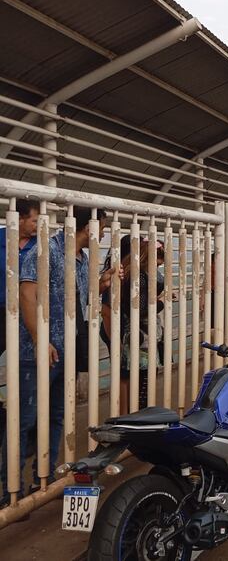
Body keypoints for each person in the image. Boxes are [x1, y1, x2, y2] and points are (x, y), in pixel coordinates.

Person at [2, 207, 118, 505]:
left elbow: (80, 297)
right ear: (85, 227)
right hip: (35, 352)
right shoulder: (47, 250)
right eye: (101, 229)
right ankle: (9, 489)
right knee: (24, 420)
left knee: (56, 416)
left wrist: (103, 282)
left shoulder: (83, 259)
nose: (102, 234)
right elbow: (27, 294)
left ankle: (47, 477)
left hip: (67, 349)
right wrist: (41, 340)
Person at [101, 236, 166, 414]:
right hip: (134, 336)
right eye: (158, 264)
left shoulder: (127, 272)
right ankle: (131, 416)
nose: (158, 268)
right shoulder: (137, 276)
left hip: (129, 334)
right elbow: (138, 308)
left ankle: (125, 415)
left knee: (127, 376)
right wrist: (160, 302)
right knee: (133, 378)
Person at [0, 200, 39, 451]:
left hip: (30, 312)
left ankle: (30, 434)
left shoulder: (40, 245)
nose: (37, 225)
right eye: (34, 220)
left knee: (30, 369)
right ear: (21, 219)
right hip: (0, 310)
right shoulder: (1, 239)